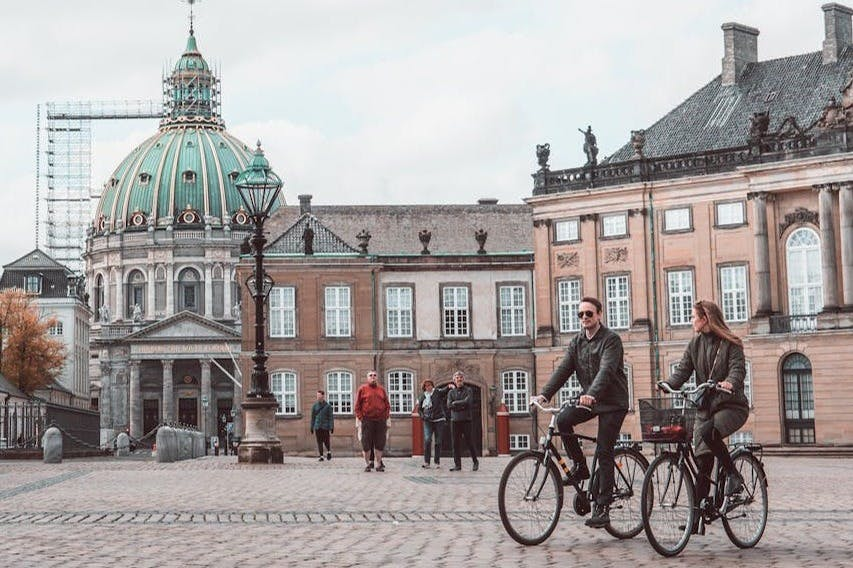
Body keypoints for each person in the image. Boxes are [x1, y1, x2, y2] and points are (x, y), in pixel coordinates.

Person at [533, 296, 629, 529]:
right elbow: (564, 370)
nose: (584, 318)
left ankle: (603, 508)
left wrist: (592, 393)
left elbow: (606, 371)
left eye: (589, 313)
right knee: (563, 420)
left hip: (613, 402)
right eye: (581, 314)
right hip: (592, 400)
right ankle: (580, 466)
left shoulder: (611, 340)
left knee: (604, 451)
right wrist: (544, 394)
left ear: (599, 315)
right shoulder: (576, 342)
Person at [661, 300, 749, 532]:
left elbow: (738, 369)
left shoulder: (731, 343)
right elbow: (682, 370)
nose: (691, 321)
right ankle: (697, 518)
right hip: (706, 408)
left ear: (706, 319)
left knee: (709, 432)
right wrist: (668, 384)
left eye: (694, 317)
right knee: (703, 461)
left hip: (731, 406)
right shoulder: (695, 344)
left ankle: (733, 475)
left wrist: (730, 382)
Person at [355, 370, 390, 472]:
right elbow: (357, 406)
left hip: (380, 420)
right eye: (371, 375)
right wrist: (361, 418)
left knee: (379, 443)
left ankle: (379, 464)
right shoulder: (363, 389)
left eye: (375, 375)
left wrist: (385, 416)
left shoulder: (381, 390)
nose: (373, 377)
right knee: (366, 443)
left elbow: (387, 405)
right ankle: (367, 464)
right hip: (367, 420)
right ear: (367, 378)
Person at [446, 371, 479, 472]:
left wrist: (455, 403)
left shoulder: (469, 390)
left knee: (469, 442)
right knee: (455, 443)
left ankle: (475, 461)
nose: (459, 379)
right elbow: (449, 405)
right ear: (454, 380)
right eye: (457, 378)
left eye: (460, 377)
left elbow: (468, 402)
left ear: (463, 379)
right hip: (455, 420)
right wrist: (460, 404)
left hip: (466, 419)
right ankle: (457, 465)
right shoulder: (451, 392)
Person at [417, 379, 453, 469]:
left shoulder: (437, 392)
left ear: (432, 386)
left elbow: (444, 390)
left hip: (439, 420)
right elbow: (419, 410)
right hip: (428, 421)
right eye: (426, 386)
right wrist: (423, 417)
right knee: (427, 440)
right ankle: (427, 462)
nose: (428, 387)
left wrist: (450, 386)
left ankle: (437, 462)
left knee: (438, 441)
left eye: (430, 385)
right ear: (424, 388)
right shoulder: (422, 397)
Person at [310, 390, 334, 461]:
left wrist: (331, 427)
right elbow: (313, 417)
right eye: (317, 395)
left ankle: (329, 451)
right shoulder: (314, 406)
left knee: (326, 441)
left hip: (325, 426)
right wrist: (312, 427)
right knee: (319, 441)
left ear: (323, 396)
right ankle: (321, 456)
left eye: (319, 395)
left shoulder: (328, 406)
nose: (318, 397)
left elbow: (330, 417)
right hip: (317, 426)